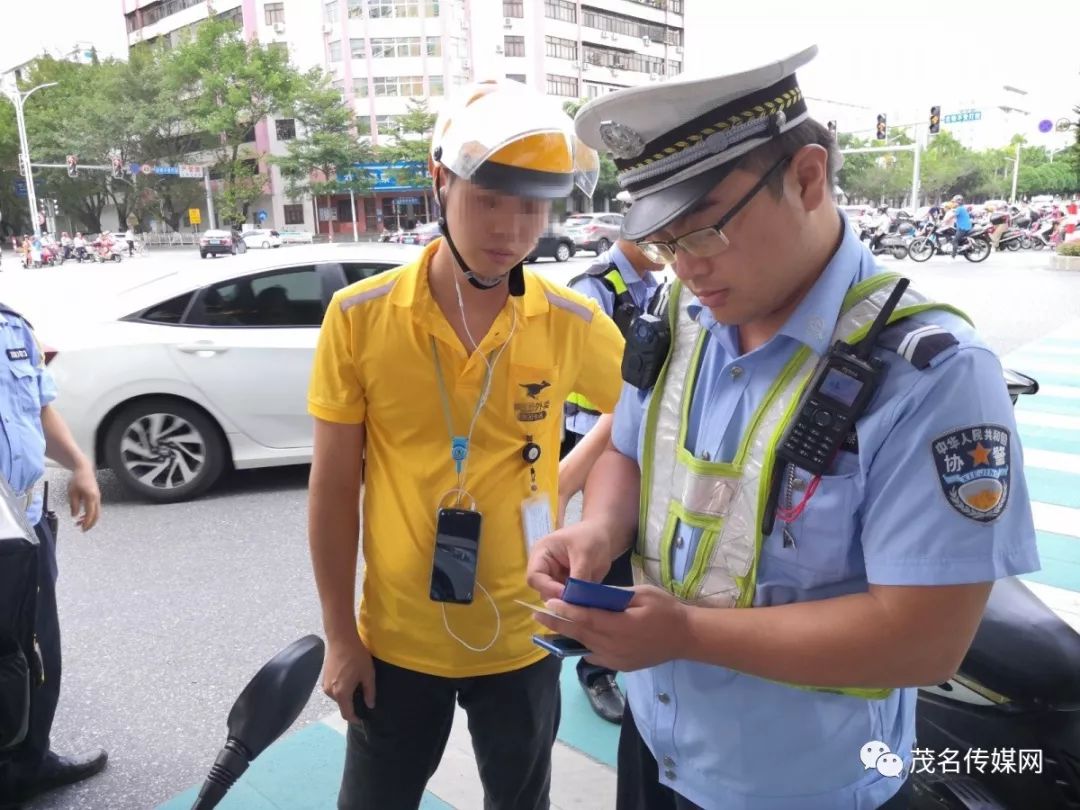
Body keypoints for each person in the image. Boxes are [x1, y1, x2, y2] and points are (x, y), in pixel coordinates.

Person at [526, 44, 1040, 810]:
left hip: (804, 784)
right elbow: (629, 453)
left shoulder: (929, 375)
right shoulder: (678, 317)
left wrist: (686, 635)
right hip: (659, 741)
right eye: (665, 243)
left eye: (704, 230)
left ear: (806, 177)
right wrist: (598, 532)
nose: (686, 266)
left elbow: (924, 639)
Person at [306, 79, 625, 810]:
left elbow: (648, 407)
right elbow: (331, 491)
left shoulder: (570, 322)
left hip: (527, 629)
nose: (512, 230)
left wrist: (572, 473)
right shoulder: (359, 318)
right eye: (490, 199)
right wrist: (340, 635)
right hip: (395, 639)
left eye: (532, 207)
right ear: (440, 180)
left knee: (520, 800)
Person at [560, 202, 665, 724]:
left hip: (648, 443)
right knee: (605, 558)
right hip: (595, 443)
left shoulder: (664, 289)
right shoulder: (594, 288)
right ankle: (595, 670)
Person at [0, 301, 106, 806]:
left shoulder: (12, 326)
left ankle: (29, 761)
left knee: (37, 647)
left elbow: (38, 409)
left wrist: (80, 465)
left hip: (23, 523)